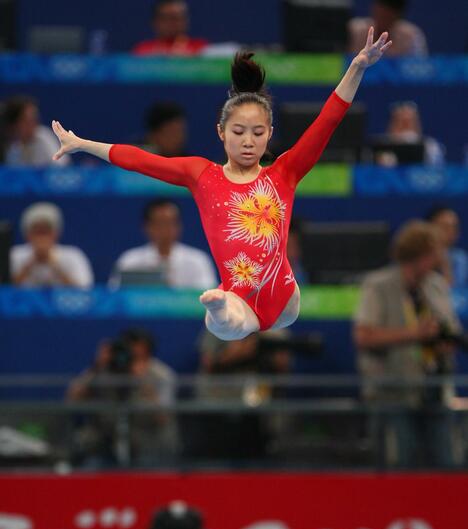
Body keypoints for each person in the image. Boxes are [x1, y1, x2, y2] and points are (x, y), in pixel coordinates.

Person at [52, 30, 392, 340]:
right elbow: (141, 160)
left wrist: (357, 68)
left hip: (284, 298)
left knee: (234, 318)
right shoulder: (202, 174)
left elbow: (327, 122)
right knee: (226, 323)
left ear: (269, 134)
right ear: (221, 132)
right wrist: (83, 143)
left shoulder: (284, 172)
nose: (248, 142)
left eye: (258, 133)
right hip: (238, 297)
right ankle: (217, 307)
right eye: (238, 132)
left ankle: (220, 307)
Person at [354, 219, 463, 468]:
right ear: (422, 254)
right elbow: (364, 336)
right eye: (435, 252)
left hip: (434, 390)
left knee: (446, 466)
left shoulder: (435, 285)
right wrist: (415, 334)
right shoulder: (378, 285)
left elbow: (449, 330)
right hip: (393, 394)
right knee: (399, 468)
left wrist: (445, 341)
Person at [67, 329, 178, 468]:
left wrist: (142, 381)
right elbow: (72, 400)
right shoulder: (104, 370)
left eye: (137, 354)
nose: (130, 357)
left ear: (148, 353)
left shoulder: (162, 375)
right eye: (128, 351)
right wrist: (96, 367)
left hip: (148, 442)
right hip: (106, 441)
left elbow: (163, 418)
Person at [110, 199, 217, 289]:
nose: (165, 229)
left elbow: (210, 299)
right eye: (159, 223)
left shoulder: (198, 260)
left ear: (179, 226)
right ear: (147, 227)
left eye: (170, 223)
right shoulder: (129, 260)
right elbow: (115, 295)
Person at [11, 202, 94, 288]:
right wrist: (29, 265)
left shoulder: (73, 255)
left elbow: (86, 292)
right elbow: (4, 291)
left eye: (46, 232)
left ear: (56, 234)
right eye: (37, 232)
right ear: (27, 234)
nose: (42, 237)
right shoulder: (14, 255)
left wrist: (55, 266)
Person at [2, 95, 71, 167]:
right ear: (15, 123)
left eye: (34, 119)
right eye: (27, 121)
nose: (33, 124)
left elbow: (62, 166)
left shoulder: (44, 136)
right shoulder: (10, 146)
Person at [349, 0, 428, 57]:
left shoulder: (412, 35)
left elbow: (420, 68)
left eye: (388, 14)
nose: (384, 15)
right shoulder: (355, 30)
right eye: (381, 10)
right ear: (374, 8)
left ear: (398, 15)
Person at [379, 101, 445, 166]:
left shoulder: (431, 147)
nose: (405, 131)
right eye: (401, 123)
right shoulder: (381, 147)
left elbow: (436, 170)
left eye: (409, 123)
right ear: (391, 125)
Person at [132, 0, 209, 56]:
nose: (171, 23)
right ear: (155, 22)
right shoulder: (142, 51)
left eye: (176, 18)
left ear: (186, 21)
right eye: (165, 18)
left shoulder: (201, 49)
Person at [427, 205, 468, 288]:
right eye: (445, 227)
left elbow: (455, 293)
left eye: (454, 227)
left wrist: (444, 262)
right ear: (429, 227)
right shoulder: (418, 257)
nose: (451, 231)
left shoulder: (460, 258)